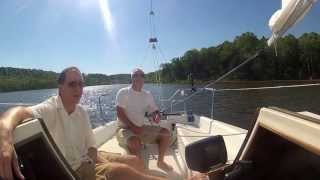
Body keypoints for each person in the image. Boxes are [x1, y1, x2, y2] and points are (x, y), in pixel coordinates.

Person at [0, 66, 171, 180]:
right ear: (60, 87)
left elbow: (91, 147)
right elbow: (19, 112)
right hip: (73, 168)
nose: (78, 89)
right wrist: (4, 134)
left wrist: (99, 160)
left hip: (88, 158)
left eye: (81, 84)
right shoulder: (51, 108)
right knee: (120, 172)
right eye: (72, 84)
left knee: (135, 161)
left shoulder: (81, 112)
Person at [116, 68, 173, 172]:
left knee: (166, 134)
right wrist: (133, 127)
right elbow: (120, 113)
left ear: (144, 79)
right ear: (131, 78)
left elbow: (154, 111)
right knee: (135, 142)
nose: (139, 77)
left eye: (141, 75)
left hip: (140, 128)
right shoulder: (123, 92)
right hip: (124, 128)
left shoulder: (147, 95)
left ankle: (160, 162)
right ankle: (140, 168)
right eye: (135, 75)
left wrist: (156, 116)